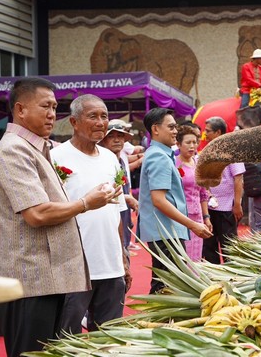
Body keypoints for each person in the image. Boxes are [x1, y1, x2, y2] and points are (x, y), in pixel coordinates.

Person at [0, 77, 118, 357]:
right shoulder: (14, 149)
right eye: (45, 106)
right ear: (20, 109)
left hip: (50, 277)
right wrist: (86, 202)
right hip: (32, 279)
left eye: (55, 107)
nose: (52, 114)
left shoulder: (38, 147)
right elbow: (36, 213)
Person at [51, 94, 131, 334]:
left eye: (104, 116)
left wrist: (123, 255)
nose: (100, 122)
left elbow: (117, 210)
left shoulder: (110, 158)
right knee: (67, 337)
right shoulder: (55, 158)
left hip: (111, 265)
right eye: (92, 116)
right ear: (74, 122)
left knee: (108, 337)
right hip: (74, 267)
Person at [138, 107, 212, 293]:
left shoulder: (162, 154)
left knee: (167, 283)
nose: (175, 131)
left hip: (168, 230)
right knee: (166, 286)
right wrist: (193, 225)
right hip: (165, 231)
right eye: (170, 127)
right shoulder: (158, 156)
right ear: (155, 129)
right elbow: (159, 200)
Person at [202, 117, 245, 264]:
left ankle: (231, 277)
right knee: (209, 245)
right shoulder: (207, 151)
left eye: (208, 131)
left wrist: (237, 204)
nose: (205, 134)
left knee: (229, 246)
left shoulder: (231, 151)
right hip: (208, 207)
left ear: (218, 132)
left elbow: (238, 179)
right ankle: (213, 277)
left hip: (227, 207)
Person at [98, 119, 140, 255]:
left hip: (124, 216)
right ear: (104, 140)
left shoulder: (121, 160)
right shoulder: (101, 162)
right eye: (111, 136)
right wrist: (126, 197)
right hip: (109, 220)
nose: (116, 140)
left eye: (120, 136)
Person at [175, 124, 212, 261]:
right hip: (181, 218)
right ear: (178, 144)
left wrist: (206, 217)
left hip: (198, 217)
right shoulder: (174, 164)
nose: (192, 146)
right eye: (188, 142)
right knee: (184, 258)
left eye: (195, 142)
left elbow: (203, 193)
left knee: (196, 257)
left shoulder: (198, 164)